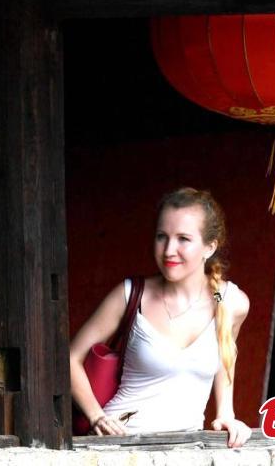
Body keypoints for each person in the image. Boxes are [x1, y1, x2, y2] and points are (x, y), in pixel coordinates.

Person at [69, 187, 252, 447]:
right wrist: (96, 416)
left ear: (209, 247)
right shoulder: (130, 295)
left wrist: (226, 414)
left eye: (183, 239)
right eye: (161, 237)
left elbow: (225, 357)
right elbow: (70, 358)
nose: (168, 250)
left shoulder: (230, 303)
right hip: (119, 446)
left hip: (184, 449)